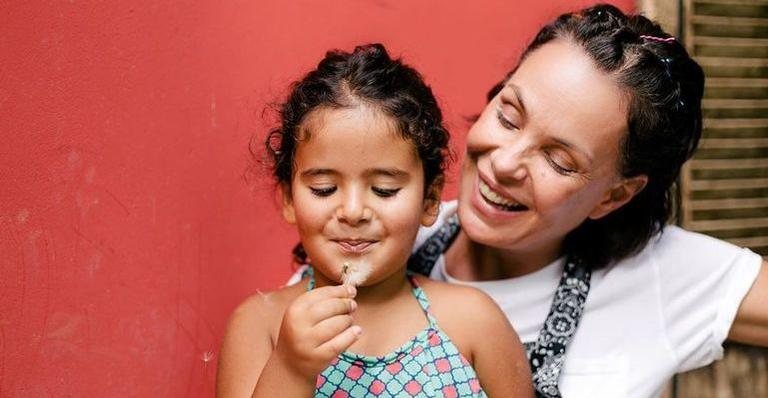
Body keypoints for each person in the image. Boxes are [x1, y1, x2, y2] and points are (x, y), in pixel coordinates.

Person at [402, 4, 767, 398]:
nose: (505, 162)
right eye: (508, 118)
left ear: (614, 196)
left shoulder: (656, 275)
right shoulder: (397, 238)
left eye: (559, 161)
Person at [216, 44, 534, 397]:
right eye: (324, 189)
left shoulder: (474, 322)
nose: (353, 211)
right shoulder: (262, 325)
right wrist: (291, 368)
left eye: (384, 190)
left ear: (429, 199)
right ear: (289, 198)